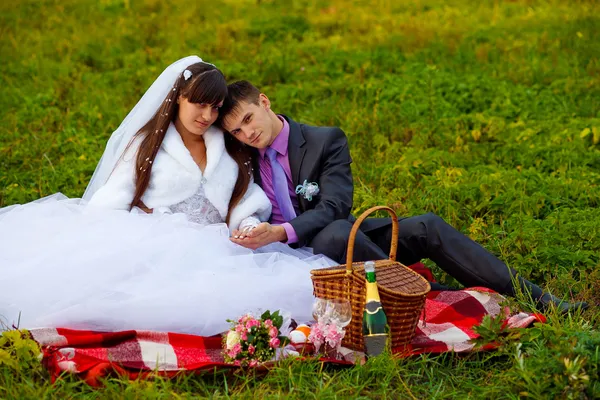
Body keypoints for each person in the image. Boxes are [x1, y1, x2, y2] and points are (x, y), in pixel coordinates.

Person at [0, 57, 335, 335]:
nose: (207, 116)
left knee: (288, 291)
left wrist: (247, 224)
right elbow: (111, 201)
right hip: (158, 244)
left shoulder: (226, 144)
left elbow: (242, 198)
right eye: (199, 104)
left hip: (219, 246)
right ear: (178, 98)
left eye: (215, 108)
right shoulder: (148, 147)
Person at [218, 80, 589, 314]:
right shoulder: (241, 156)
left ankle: (540, 298)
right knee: (336, 234)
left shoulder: (323, 140)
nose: (247, 133)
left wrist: (282, 231)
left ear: (264, 102)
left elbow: (335, 207)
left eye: (249, 119)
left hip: (338, 238)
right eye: (236, 130)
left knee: (424, 225)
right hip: (292, 255)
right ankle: (429, 296)